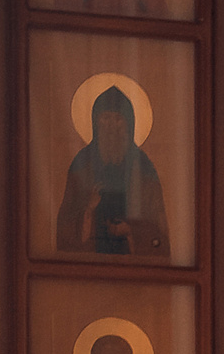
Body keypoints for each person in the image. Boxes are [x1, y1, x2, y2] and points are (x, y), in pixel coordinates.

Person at [55, 85, 170, 258]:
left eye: (118, 119)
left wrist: (130, 230)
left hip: (133, 268)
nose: (111, 127)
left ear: (129, 124)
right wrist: (88, 211)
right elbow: (65, 225)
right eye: (105, 118)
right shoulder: (82, 164)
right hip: (90, 265)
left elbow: (158, 228)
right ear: (95, 122)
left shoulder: (143, 167)